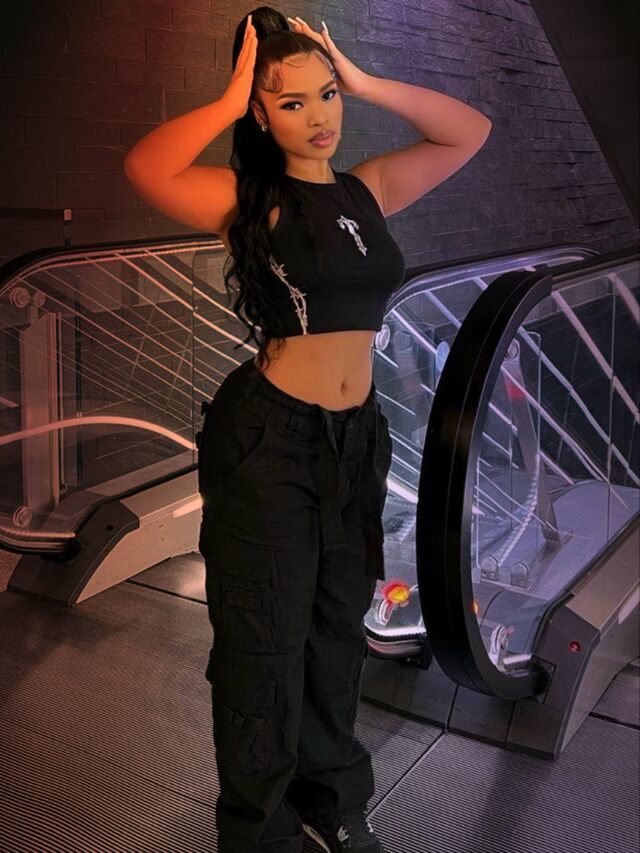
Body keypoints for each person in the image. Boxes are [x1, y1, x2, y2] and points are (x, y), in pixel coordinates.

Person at [124, 7, 491, 852]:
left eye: (326, 94)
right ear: (262, 114)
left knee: (336, 630)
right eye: (291, 102)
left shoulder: (368, 189)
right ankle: (258, 832)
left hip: (356, 437)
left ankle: (331, 801)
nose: (320, 115)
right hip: (269, 442)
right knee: (264, 643)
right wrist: (229, 100)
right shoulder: (250, 200)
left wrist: (363, 79)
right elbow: (146, 166)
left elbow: (468, 131)